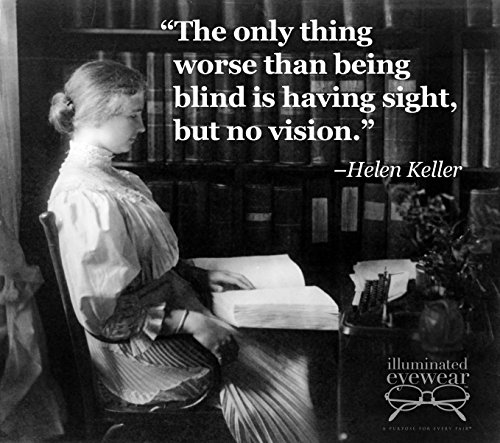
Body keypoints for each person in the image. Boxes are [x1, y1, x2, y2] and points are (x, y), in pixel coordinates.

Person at [47, 60, 322, 442]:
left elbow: (142, 264)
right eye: (133, 115)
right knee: (281, 364)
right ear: (97, 116)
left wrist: (198, 275)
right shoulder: (84, 195)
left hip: (165, 316)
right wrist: (192, 323)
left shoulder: (116, 180)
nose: (143, 127)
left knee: (293, 348)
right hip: (136, 349)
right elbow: (105, 317)